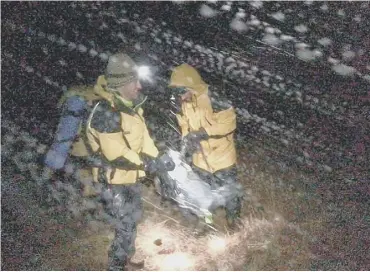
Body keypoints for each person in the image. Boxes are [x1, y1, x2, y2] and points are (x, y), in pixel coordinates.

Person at [45, 53, 174, 270]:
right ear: (122, 84)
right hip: (113, 180)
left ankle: (125, 256)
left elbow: (143, 141)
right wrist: (147, 164)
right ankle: (115, 266)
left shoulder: (130, 107)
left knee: (132, 219)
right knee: (125, 223)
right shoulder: (104, 112)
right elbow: (117, 154)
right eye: (135, 82)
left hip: (130, 176)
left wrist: (157, 159)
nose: (140, 86)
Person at [168, 63, 242, 229]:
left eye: (181, 91)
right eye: (176, 93)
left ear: (191, 86)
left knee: (230, 193)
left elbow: (228, 124)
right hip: (200, 160)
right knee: (202, 196)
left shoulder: (214, 97)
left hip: (222, 157)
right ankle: (207, 225)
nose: (180, 97)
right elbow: (185, 127)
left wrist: (203, 132)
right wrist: (187, 140)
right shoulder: (182, 104)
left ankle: (234, 222)